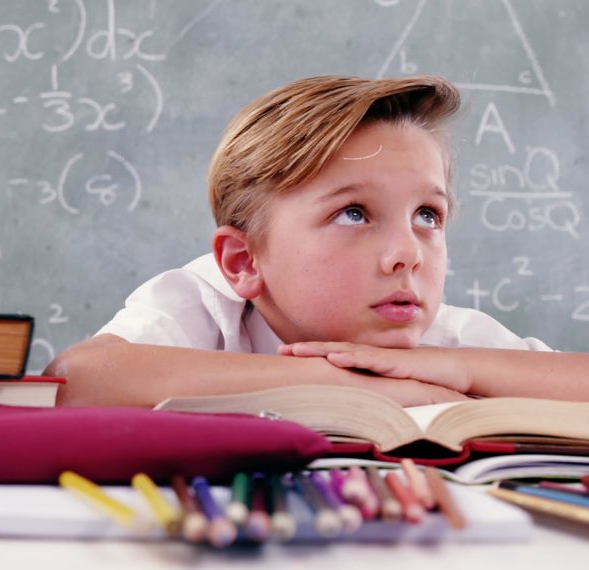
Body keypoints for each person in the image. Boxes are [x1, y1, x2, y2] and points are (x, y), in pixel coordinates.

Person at [45, 75, 589, 408]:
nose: (409, 253)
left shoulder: (441, 339)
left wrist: (465, 370)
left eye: (428, 214)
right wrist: (349, 384)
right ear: (243, 261)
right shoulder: (204, 306)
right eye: (354, 213)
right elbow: (77, 378)